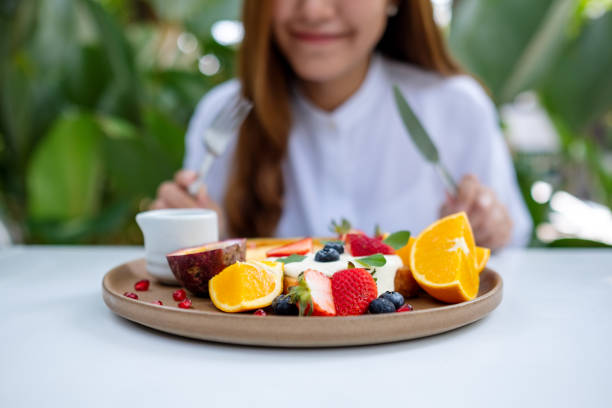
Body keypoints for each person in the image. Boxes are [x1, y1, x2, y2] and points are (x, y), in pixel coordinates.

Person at [151, 0, 532, 249]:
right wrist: (200, 235)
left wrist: (491, 229)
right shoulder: (223, 116)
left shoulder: (456, 108)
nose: (314, 10)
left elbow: (511, 247)